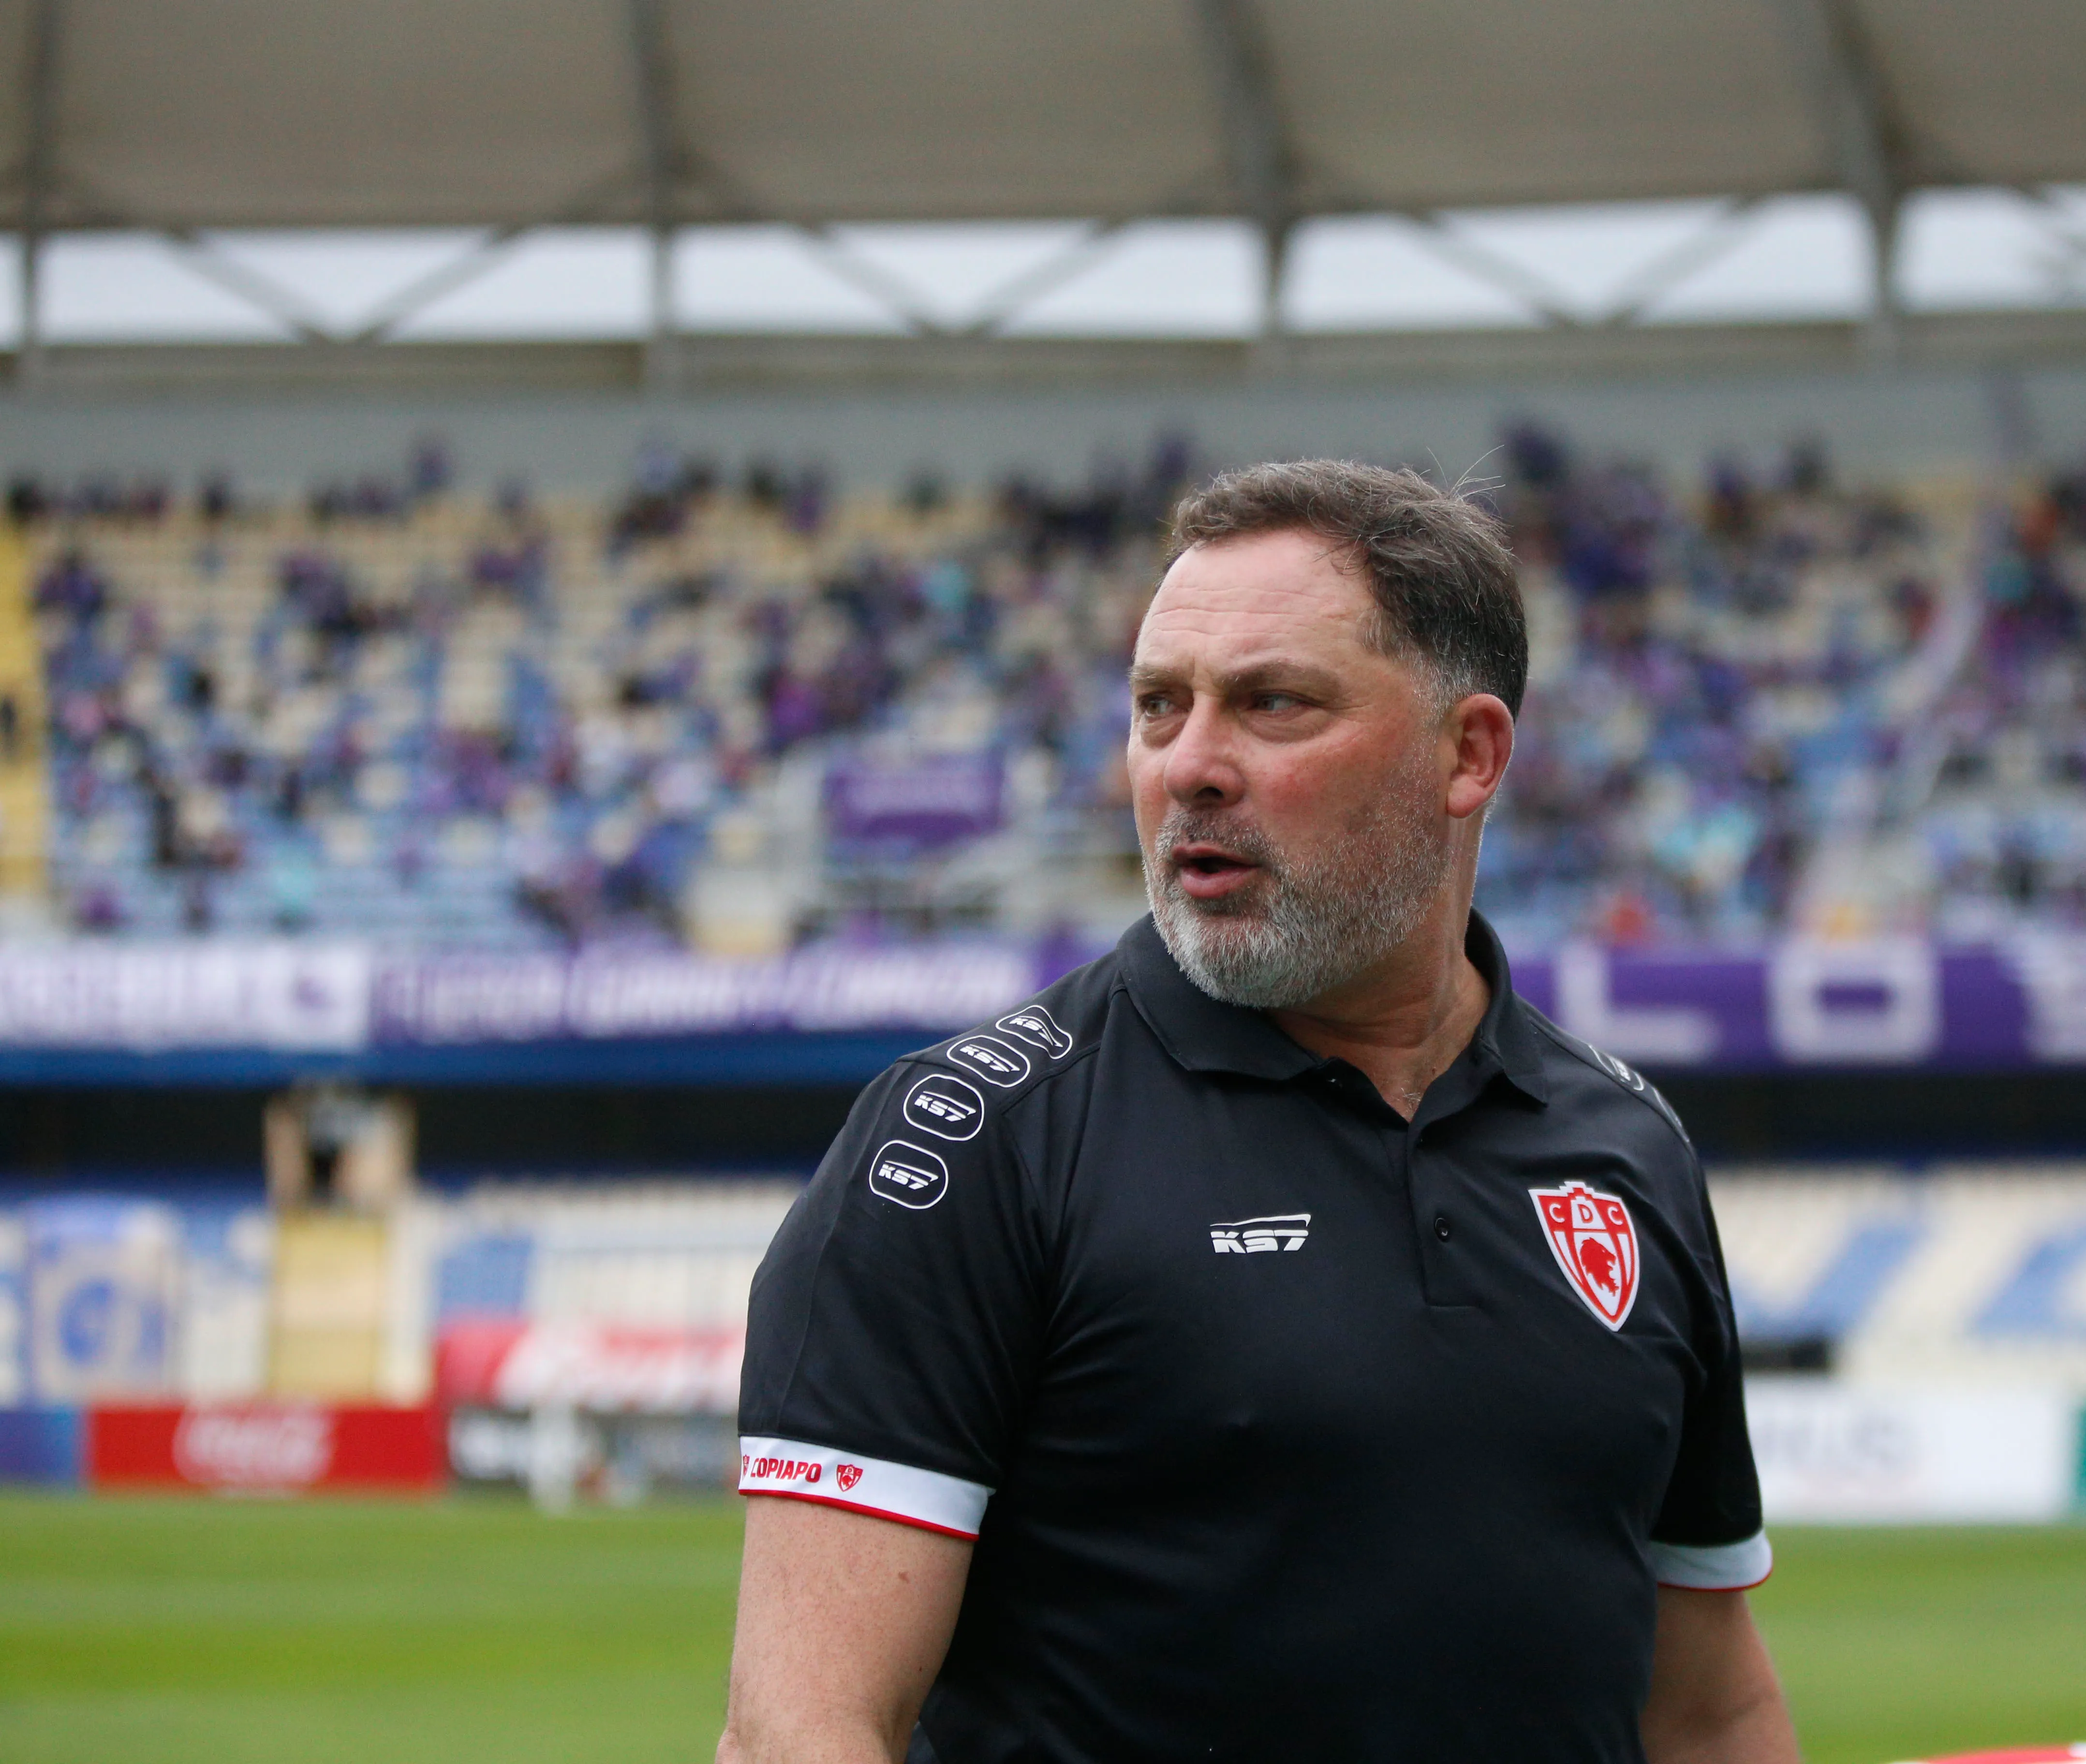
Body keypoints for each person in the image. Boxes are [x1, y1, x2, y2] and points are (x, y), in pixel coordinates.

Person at [721, 461, 1796, 1764]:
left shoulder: (1630, 1149)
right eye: (1158, 709)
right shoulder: (968, 1148)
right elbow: (805, 1729)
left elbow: (1708, 1708)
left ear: (1470, 754)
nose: (1191, 768)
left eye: (1273, 705)